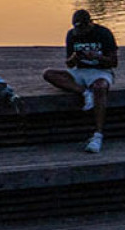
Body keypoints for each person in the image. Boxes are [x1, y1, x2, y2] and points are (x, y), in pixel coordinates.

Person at [43, 8, 118, 153]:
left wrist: (97, 57)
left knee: (100, 88)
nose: (80, 33)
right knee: (48, 74)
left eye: (83, 29)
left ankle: (98, 134)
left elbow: (114, 62)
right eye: (78, 30)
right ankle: (84, 92)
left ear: (90, 24)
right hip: (80, 71)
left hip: (101, 71)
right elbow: (69, 64)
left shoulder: (104, 33)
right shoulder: (72, 35)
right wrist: (74, 58)